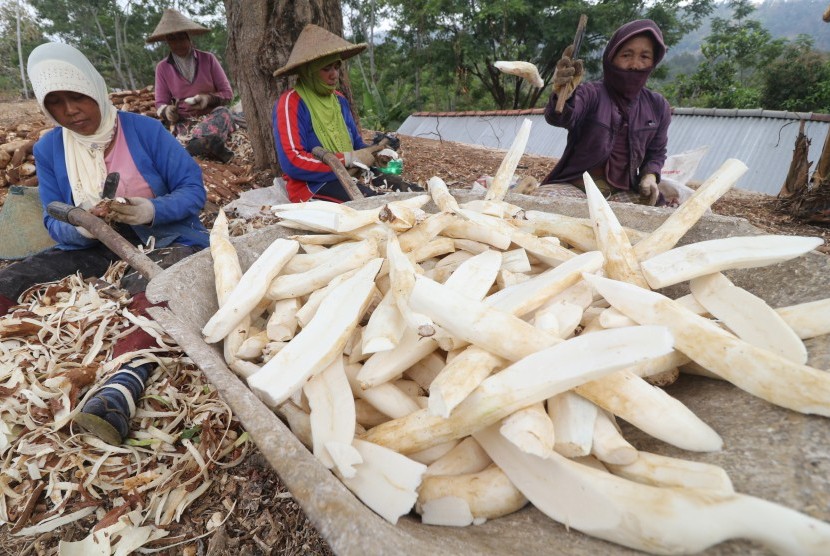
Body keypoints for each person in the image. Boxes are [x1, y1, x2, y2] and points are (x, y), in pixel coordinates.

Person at [0, 42, 209, 443]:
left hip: (161, 237)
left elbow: (192, 190)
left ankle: (119, 388)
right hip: (91, 243)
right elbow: (52, 215)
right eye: (56, 103)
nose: (70, 111)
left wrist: (148, 210)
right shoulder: (49, 149)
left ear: (93, 89)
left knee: (156, 288)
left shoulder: (144, 130)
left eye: (76, 97)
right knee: (14, 279)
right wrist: (81, 226)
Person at [272, 23, 421, 203]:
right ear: (308, 71)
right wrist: (348, 160)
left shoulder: (339, 100)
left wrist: (375, 154)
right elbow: (292, 161)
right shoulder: (291, 102)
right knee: (380, 205)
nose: (334, 74)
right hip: (313, 185)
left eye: (336, 66)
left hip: (354, 174)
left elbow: (356, 144)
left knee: (410, 194)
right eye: (326, 68)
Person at [540, 19, 670, 206]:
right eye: (626, 55)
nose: (635, 64)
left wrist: (649, 176)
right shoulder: (591, 93)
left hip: (622, 193)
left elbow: (656, 153)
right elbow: (559, 117)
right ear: (611, 57)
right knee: (542, 204)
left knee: (662, 220)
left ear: (653, 61)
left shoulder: (658, 106)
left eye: (644, 57)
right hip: (575, 188)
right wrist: (563, 95)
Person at [147, 8, 236, 164]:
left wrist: (207, 99)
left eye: (181, 37)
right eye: (172, 39)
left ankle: (199, 144)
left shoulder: (208, 59)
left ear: (189, 37)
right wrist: (168, 111)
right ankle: (204, 144)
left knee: (223, 113)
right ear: (167, 41)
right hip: (186, 121)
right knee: (176, 130)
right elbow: (160, 103)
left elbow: (228, 94)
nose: (178, 42)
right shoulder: (163, 68)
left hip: (212, 116)